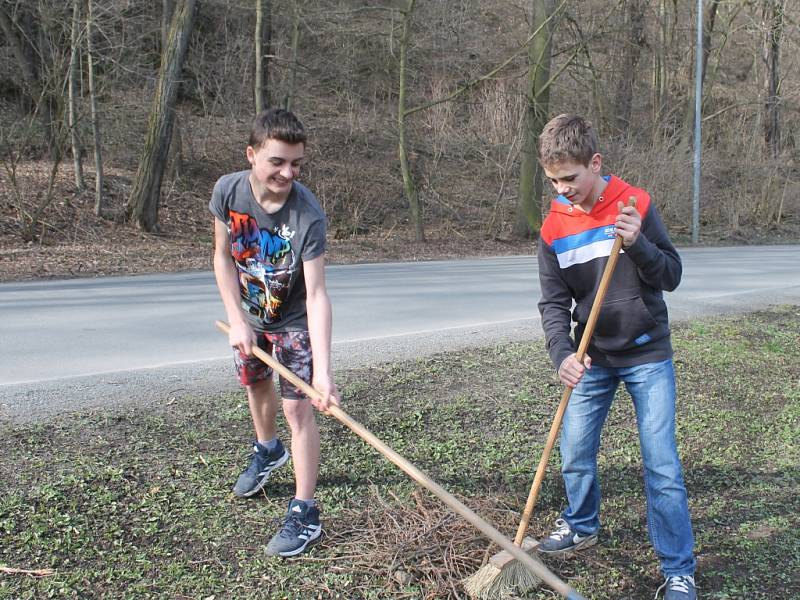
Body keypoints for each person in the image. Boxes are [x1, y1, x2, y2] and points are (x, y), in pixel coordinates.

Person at [535, 114, 697, 600]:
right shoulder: (553, 227)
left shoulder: (636, 204)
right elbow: (552, 302)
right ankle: (582, 524)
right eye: (554, 181)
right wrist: (562, 353)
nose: (564, 190)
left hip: (648, 354)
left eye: (571, 178)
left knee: (662, 464)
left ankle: (678, 569)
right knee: (575, 451)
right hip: (593, 358)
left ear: (595, 163)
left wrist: (638, 244)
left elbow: (671, 274)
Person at [210, 108, 340, 558]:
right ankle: (267, 451)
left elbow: (319, 295)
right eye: (278, 162)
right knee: (255, 383)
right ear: (252, 155)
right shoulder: (228, 191)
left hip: (294, 321)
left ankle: (306, 511)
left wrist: (322, 373)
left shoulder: (307, 216)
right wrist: (237, 317)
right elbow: (222, 257)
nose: (288, 172)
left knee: (297, 410)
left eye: (297, 164)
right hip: (249, 316)